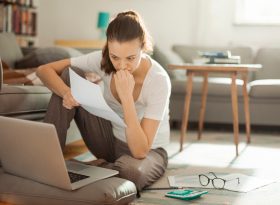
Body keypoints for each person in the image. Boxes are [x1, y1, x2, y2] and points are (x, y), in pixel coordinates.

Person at [36, 10, 171, 191]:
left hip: (149, 151)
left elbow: (140, 151)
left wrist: (126, 98)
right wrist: (66, 92)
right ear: (108, 48)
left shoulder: (159, 80)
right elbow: (44, 70)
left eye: (131, 58)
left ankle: (90, 167)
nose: (122, 66)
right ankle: (47, 162)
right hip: (109, 142)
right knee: (70, 74)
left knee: (131, 173)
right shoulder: (102, 60)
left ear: (143, 48)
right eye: (115, 57)